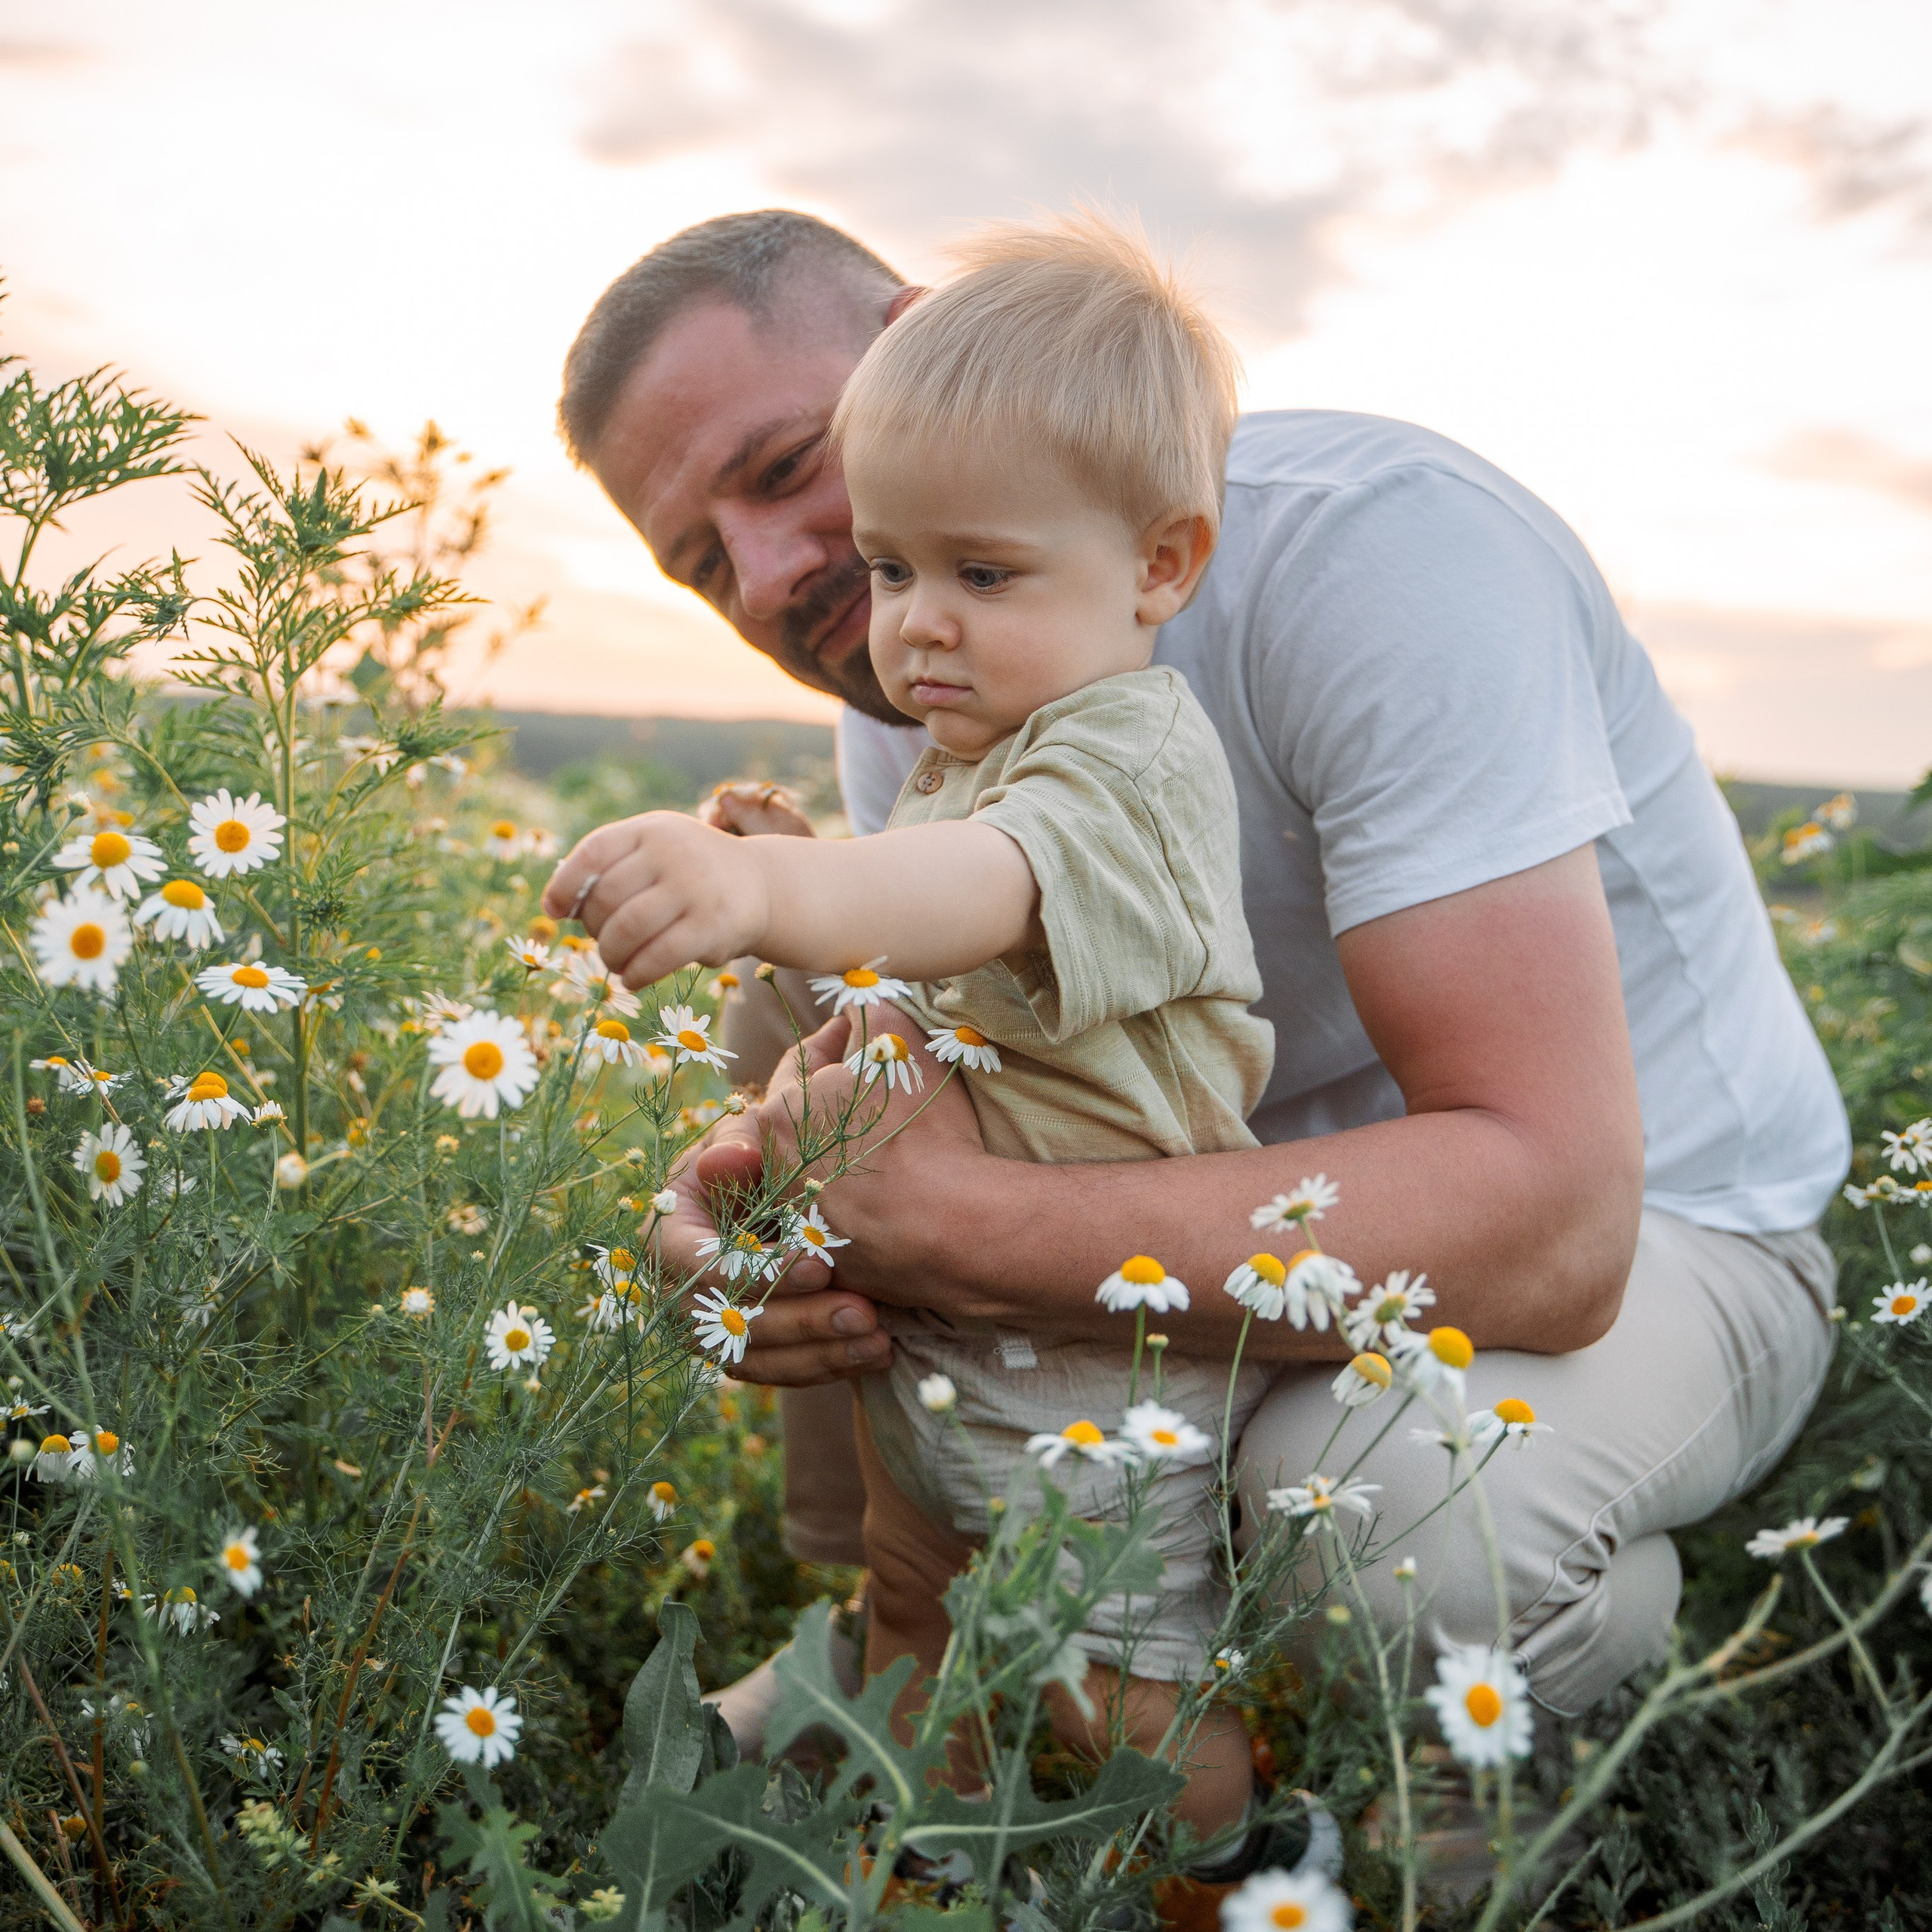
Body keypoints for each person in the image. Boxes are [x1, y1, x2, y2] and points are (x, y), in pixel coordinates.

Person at [549, 208, 1850, 1743]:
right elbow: (971, 1028)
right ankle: (919, 1617)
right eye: (705, 564)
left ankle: (1463, 1749)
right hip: (1233, 1182)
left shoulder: (1376, 554)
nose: (775, 577)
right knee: (811, 1009)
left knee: (1381, 1506)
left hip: (1653, 1233)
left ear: (920, 338)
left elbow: (1557, 1231)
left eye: (781, 469)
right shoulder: (926, 643)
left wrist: (964, 1228)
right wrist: (761, 1194)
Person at [547, 214, 1291, 1840]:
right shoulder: (965, 737)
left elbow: (978, 892)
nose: (914, 621)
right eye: (892, 567)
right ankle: (924, 1863)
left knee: (1121, 1679)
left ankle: (1213, 1874)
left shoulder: (1123, 757)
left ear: (1158, 564)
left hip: (1099, 1343)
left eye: (981, 571)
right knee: (912, 1607)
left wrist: (763, 897)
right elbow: (907, 995)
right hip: (950, 1331)